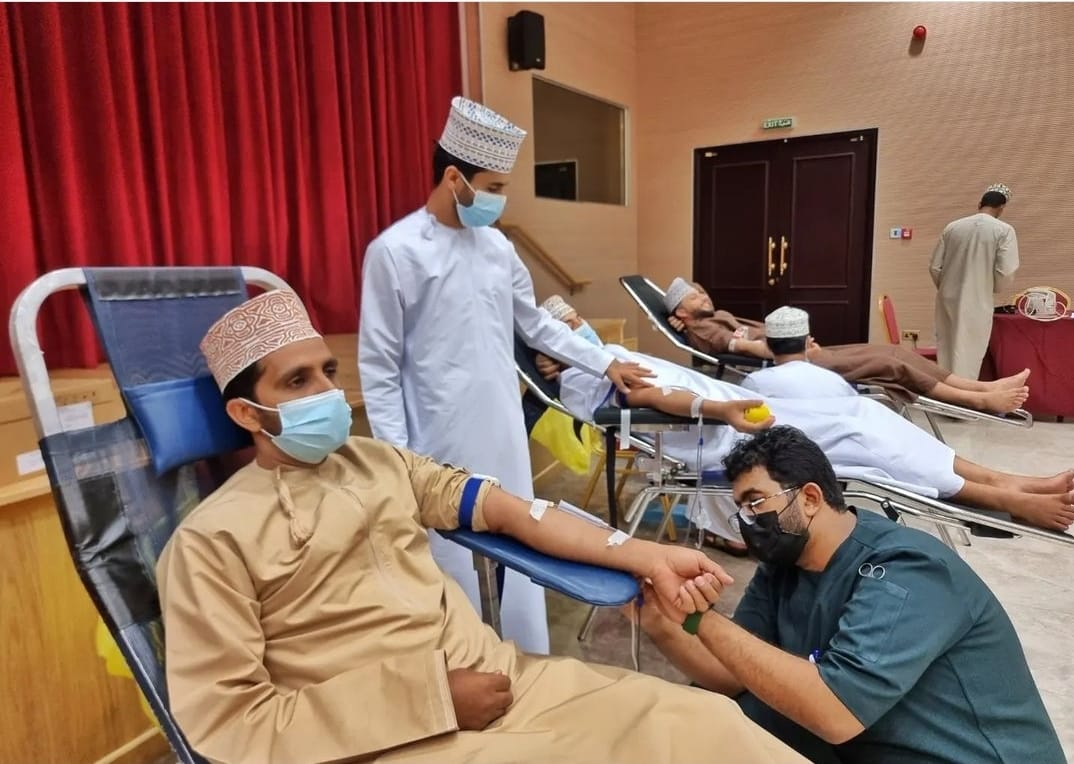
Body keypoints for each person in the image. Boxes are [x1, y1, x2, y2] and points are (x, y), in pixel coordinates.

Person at [159, 290, 808, 764]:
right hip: (390, 737)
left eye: (328, 372)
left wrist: (643, 555)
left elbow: (509, 511)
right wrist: (430, 701)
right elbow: (232, 720)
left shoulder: (378, 461)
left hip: (505, 680)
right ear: (247, 413)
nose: (327, 393)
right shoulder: (211, 541)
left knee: (704, 724)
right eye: (297, 381)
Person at [358, 96, 652, 653]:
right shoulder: (394, 252)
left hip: (502, 429)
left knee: (522, 545)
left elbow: (536, 325)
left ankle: (526, 658)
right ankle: (468, 667)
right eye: (492, 187)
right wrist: (399, 463)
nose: (499, 199)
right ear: (454, 178)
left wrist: (604, 360)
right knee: (452, 559)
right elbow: (379, 366)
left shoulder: (497, 247)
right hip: (437, 439)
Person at [632, 426, 1066, 764]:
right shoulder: (784, 566)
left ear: (810, 498)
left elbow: (836, 711)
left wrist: (706, 621)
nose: (747, 521)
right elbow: (735, 674)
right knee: (726, 716)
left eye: (756, 503)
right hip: (873, 746)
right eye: (741, 509)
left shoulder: (905, 569)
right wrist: (667, 620)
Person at [540, 295, 1074, 532]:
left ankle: (1008, 481)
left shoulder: (602, 357)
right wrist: (723, 407)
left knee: (866, 414)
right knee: (858, 437)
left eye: (577, 320)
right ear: (551, 349)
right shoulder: (587, 377)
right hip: (731, 434)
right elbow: (653, 399)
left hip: (744, 411)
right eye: (570, 327)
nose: (582, 329)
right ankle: (1003, 498)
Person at [664, 276, 1030, 414]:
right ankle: (976, 400)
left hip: (803, 352)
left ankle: (982, 387)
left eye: (702, 292)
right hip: (795, 360)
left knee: (894, 351)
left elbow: (710, 308)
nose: (702, 296)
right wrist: (795, 348)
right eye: (694, 297)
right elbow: (748, 349)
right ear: (680, 310)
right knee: (890, 365)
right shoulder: (707, 331)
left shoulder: (714, 315)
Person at [930, 182, 1021, 377]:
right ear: (1001, 208)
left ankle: (944, 392)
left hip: (947, 299)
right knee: (969, 353)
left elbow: (935, 267)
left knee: (946, 349)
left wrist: (946, 288)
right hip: (977, 300)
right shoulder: (1004, 231)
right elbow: (1005, 271)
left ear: (980, 204)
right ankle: (962, 394)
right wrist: (989, 287)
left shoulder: (952, 227)